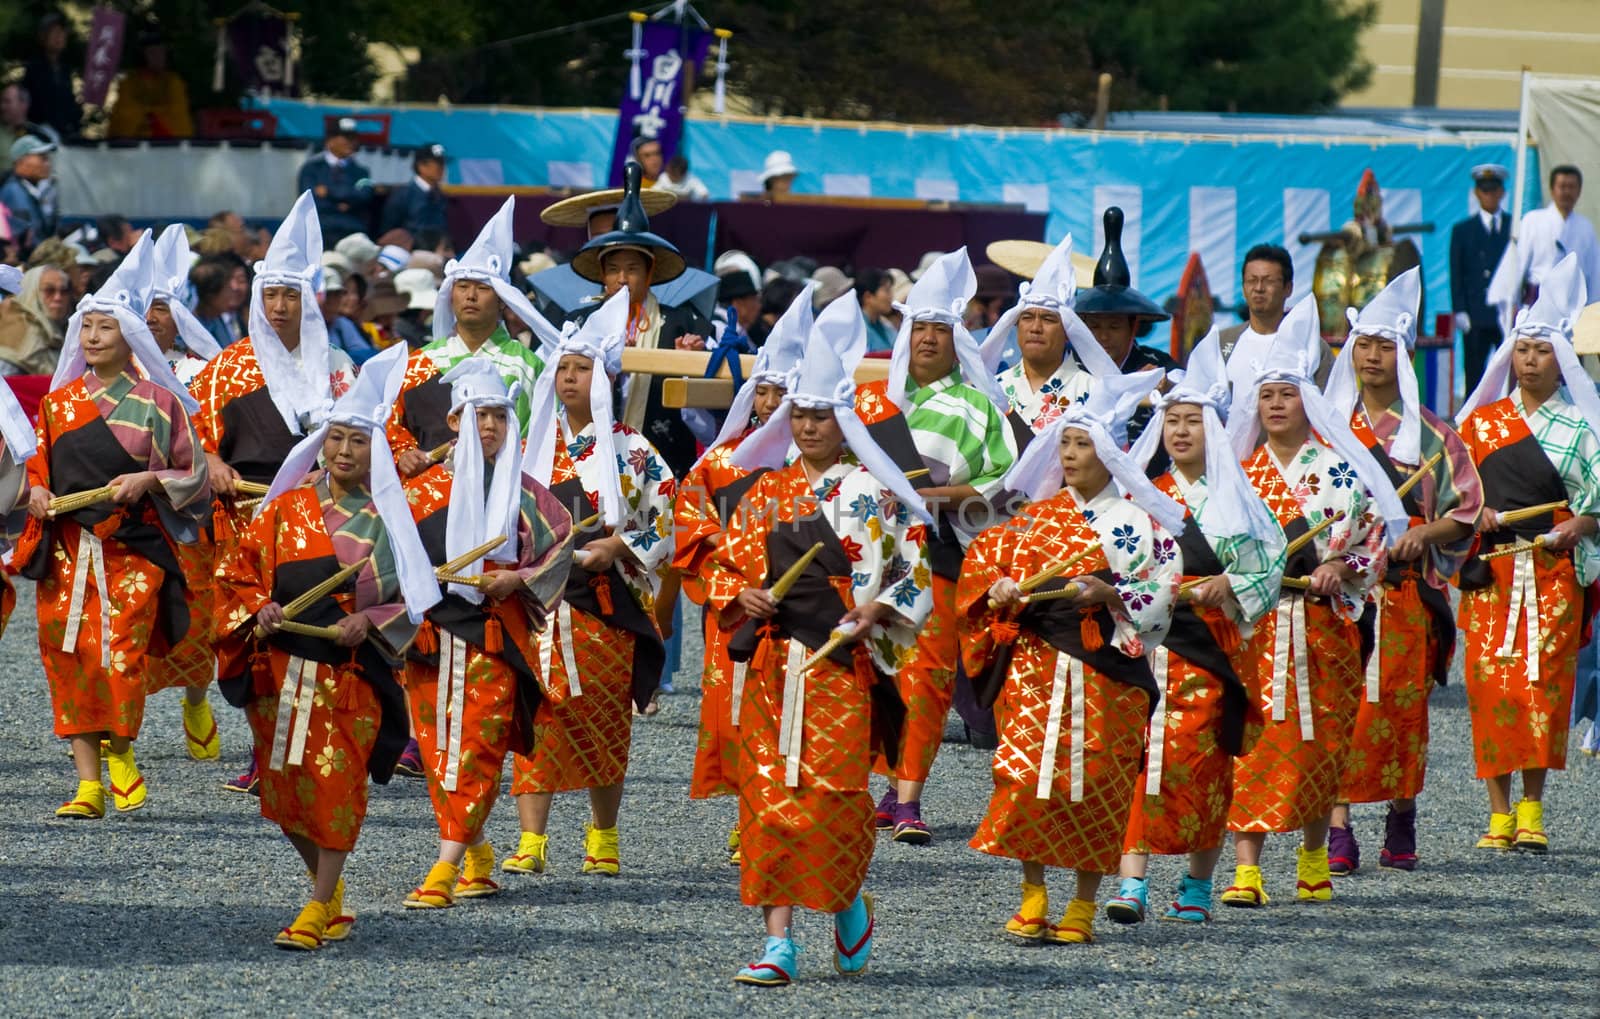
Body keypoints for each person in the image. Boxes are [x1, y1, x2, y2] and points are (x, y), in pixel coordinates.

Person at [711, 292, 933, 986]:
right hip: (777, 661)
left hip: (842, 664)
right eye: (798, 415)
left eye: (819, 415)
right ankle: (778, 941)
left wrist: (880, 609)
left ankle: (844, 900)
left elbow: (912, 558)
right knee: (767, 794)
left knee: (834, 796)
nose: (807, 426)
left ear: (843, 421)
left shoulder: (875, 491)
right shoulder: (765, 493)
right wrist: (737, 591)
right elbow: (724, 564)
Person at [213, 343, 439, 950]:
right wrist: (255, 608)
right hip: (281, 670)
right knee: (285, 791)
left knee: (337, 785)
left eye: (358, 441)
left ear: (379, 450)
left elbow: (418, 600)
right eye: (336, 438)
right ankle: (329, 893)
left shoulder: (396, 520)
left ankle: (316, 906)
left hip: (350, 674)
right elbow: (237, 571)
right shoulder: (285, 508)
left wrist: (373, 620)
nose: (343, 451)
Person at [961, 370, 1182, 946]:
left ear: (1111, 452)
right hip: (1036, 664)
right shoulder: (1034, 516)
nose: (1072, 454)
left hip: (1106, 666)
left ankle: (1083, 901)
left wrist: (1112, 594)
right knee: (1027, 779)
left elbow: (1163, 590)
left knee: (1100, 781)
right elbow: (987, 568)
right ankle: (1032, 895)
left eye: (1084, 444)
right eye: (1066, 443)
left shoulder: (1140, 522)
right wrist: (999, 591)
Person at [1220, 295, 1405, 907]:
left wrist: (1338, 565)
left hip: (1323, 628)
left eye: (1287, 395)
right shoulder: (1239, 474)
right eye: (1266, 396)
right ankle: (1247, 870)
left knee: (1318, 743)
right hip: (1255, 626)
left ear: (1309, 401)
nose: (1275, 405)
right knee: (1250, 741)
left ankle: (1313, 854)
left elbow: (1375, 543)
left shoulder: (1341, 473)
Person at [20, 233, 209, 819]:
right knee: (68, 652)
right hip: (70, 547)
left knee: (121, 654)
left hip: (132, 545)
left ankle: (122, 750)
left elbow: (193, 473)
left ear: (130, 337)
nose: (93, 337)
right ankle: (87, 785)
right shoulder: (59, 403)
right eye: (86, 327)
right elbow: (36, 463)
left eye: (105, 327)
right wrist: (38, 490)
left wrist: (150, 481)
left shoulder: (160, 401)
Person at [1103, 329, 1284, 925]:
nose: (1180, 431)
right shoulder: (1143, 497)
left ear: (1216, 430)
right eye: (1172, 420)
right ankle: (1132, 880)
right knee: (1136, 755)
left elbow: (1270, 562)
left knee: (1202, 761)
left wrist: (1230, 583)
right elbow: (1114, 566)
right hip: (1146, 649)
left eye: (1193, 420)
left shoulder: (1242, 500)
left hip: (1211, 647)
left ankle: (1198, 882)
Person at [189, 192, 358, 792]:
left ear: (308, 300)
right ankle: (266, 751)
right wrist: (209, 458)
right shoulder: (227, 366)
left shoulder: (338, 366)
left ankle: (313, 750)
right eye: (271, 295)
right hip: (245, 516)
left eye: (291, 294)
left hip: (318, 518)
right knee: (251, 632)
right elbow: (198, 436)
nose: (280, 306)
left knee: (312, 630)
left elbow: (363, 438)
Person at [503, 288, 675, 877]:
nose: (570, 378)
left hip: (605, 602)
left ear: (602, 380)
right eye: (563, 369)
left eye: (582, 369)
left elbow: (668, 514)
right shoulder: (531, 448)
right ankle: (532, 841)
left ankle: (603, 834)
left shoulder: (631, 450)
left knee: (603, 716)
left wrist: (618, 544)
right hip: (539, 603)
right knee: (538, 715)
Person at [854, 248, 1019, 843]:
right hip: (872, 551)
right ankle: (880, 783)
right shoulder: (874, 402)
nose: (926, 339)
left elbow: (1006, 480)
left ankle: (908, 796)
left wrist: (937, 496)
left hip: (940, 549)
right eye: (918, 327)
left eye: (939, 330)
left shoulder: (979, 408)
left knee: (924, 672)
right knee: (873, 668)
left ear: (959, 341)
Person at [1323, 268, 1483, 874]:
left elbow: (1465, 512)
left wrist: (1423, 531)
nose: (1370, 356)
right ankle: (1337, 826)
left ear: (1405, 354)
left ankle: (1401, 814)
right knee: (1340, 701)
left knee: (1398, 707)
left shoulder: (1435, 436)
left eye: (1384, 345)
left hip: (1403, 594)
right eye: (1362, 343)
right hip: (1342, 593)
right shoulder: (1327, 433)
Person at [399, 360, 572, 908]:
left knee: (475, 748)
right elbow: (390, 560)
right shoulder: (421, 491)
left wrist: (514, 576)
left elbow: (559, 549)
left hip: (495, 636)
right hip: (430, 636)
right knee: (435, 749)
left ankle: (444, 867)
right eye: (479, 414)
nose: (490, 426)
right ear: (454, 421)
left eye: (498, 415)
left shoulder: (528, 494)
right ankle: (474, 852)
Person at [1453, 252, 1600, 854]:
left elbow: (1598, 502)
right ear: (1509, 356)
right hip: (1494, 571)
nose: (1531, 360)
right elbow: (1454, 498)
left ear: (1561, 359)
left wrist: (1578, 527)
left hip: (1552, 575)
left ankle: (1533, 807)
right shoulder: (1479, 425)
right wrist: (1474, 515)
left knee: (1541, 688)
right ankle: (1497, 812)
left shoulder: (1581, 428)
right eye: (1523, 350)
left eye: (1543, 351)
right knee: (1491, 687)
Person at [673, 283, 811, 865]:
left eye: (784, 392)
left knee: (799, 714)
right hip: (734, 607)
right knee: (734, 715)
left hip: (805, 613)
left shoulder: (820, 469)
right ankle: (747, 815)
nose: (771, 401)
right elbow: (690, 528)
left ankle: (788, 815)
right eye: (764, 390)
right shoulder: (721, 462)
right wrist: (734, 588)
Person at [138, 224, 228, 759]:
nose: (150, 318)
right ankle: (114, 722)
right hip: (124, 509)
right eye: (141, 308)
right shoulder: (109, 373)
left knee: (195, 612)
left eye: (162, 309)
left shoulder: (201, 372)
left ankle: (196, 696)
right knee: (124, 619)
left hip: (189, 506)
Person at [389, 197, 556, 478]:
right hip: (427, 498)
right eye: (462, 286)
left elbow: (542, 440)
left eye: (482, 288)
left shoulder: (528, 366)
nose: (470, 296)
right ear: (449, 295)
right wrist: (403, 452)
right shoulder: (419, 362)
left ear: (503, 299)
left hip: (505, 492)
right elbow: (391, 427)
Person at [567, 161, 709, 477]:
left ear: (650, 273)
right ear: (602, 275)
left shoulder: (682, 323)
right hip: (592, 459)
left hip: (664, 459)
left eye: (632, 269)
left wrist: (690, 367)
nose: (622, 279)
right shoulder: (580, 324)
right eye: (614, 270)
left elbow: (708, 414)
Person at [981, 234, 1119, 432]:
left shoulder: (1093, 391)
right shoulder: (995, 388)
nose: (1035, 328)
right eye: (1027, 318)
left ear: (1068, 331)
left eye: (1048, 319)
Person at [1073, 208, 1177, 444]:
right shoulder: (1070, 366)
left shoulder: (1157, 364)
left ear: (1133, 326)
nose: (1103, 336)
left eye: (1114, 327)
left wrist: (1167, 385)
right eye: (1095, 327)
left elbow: (1185, 385)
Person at [1220, 244, 1334, 393]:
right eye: (1252, 280)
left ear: (1288, 288)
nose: (1259, 288)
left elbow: (1328, 403)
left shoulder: (1313, 346)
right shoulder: (1222, 342)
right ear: (1243, 287)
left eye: (1268, 281)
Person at [1450, 165, 1513, 393]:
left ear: (1501, 192)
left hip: (1504, 313)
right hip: (1475, 313)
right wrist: (1459, 309)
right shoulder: (1463, 230)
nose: (1489, 195)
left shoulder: (1513, 227)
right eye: (1484, 190)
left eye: (1493, 189)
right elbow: (1457, 273)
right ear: (1476, 193)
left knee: (1510, 374)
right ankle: (1471, 425)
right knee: (1474, 375)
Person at [1517, 164, 1600, 302]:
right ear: (1552, 189)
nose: (1567, 192)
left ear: (1579, 191)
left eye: (1571, 187)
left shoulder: (1585, 227)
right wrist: (1513, 303)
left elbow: (1594, 271)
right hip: (1538, 300)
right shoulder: (1532, 220)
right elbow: (1519, 264)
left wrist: (1593, 306)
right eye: (1562, 186)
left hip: (1573, 303)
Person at [297, 118, 375, 245]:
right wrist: (344, 203)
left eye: (353, 138)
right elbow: (310, 201)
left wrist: (329, 192)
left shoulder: (361, 172)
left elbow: (365, 196)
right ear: (330, 141)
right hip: (320, 232)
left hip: (352, 232)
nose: (352, 143)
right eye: (346, 138)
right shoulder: (312, 169)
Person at [107, 30, 193, 139]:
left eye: (162, 52)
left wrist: (150, 115)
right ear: (142, 56)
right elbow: (124, 117)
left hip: (169, 146)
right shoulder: (129, 84)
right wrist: (149, 115)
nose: (159, 57)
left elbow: (179, 117)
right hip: (134, 146)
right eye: (153, 52)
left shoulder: (173, 81)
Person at [0, 262, 70, 374]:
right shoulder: (16, 329)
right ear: (32, 292)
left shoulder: (59, 330)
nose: (58, 297)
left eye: (64, 291)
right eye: (49, 290)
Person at [21, 12, 81, 140]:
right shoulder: (34, 68)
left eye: (62, 33)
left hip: (66, 134)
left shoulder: (65, 69)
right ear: (43, 37)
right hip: (42, 133)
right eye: (54, 33)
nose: (59, 37)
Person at [1, 134, 59, 253]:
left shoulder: (29, 189)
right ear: (22, 160)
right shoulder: (14, 192)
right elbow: (27, 239)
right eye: (42, 158)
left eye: (47, 158)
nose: (47, 163)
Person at [380, 143, 448, 238]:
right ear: (421, 166)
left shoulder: (440, 196)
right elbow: (389, 229)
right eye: (437, 164)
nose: (442, 168)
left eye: (443, 163)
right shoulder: (403, 195)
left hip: (437, 249)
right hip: (411, 250)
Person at [190, 253, 248, 349]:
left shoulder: (217, 319)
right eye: (227, 289)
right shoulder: (191, 326)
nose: (232, 291)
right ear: (211, 294)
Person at [856, 269, 896, 352]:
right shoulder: (857, 331)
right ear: (868, 297)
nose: (891, 296)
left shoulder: (886, 325)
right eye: (887, 290)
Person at [0, 84, 30, 174]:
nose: (2, 106)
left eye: (7, 102)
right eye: (1, 101)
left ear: (23, 105)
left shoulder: (36, 135)